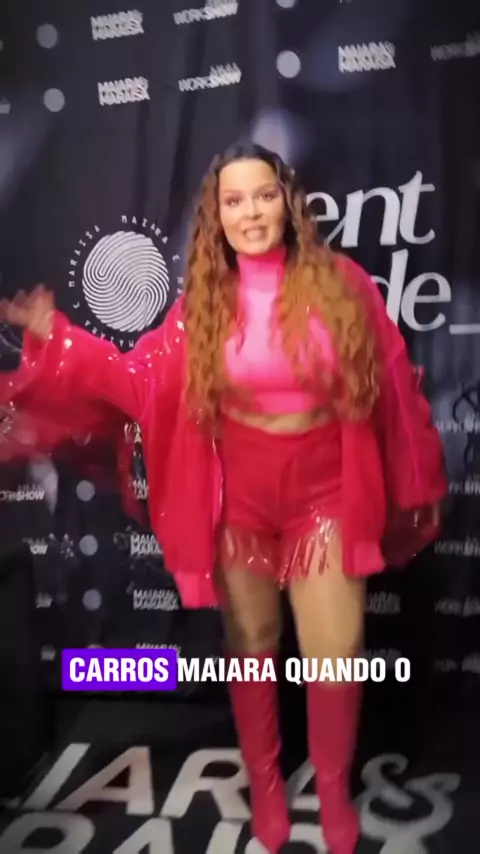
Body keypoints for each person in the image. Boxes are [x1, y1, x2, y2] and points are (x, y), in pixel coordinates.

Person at [0, 143, 447, 854]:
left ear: (287, 202)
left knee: (337, 651)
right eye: (234, 201)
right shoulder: (199, 307)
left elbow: (391, 386)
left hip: (326, 497)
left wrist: (416, 480)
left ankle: (332, 787)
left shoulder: (344, 286)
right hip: (240, 503)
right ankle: (266, 784)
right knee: (252, 648)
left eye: (263, 195)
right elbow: (138, 384)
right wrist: (62, 339)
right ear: (217, 216)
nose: (251, 213)